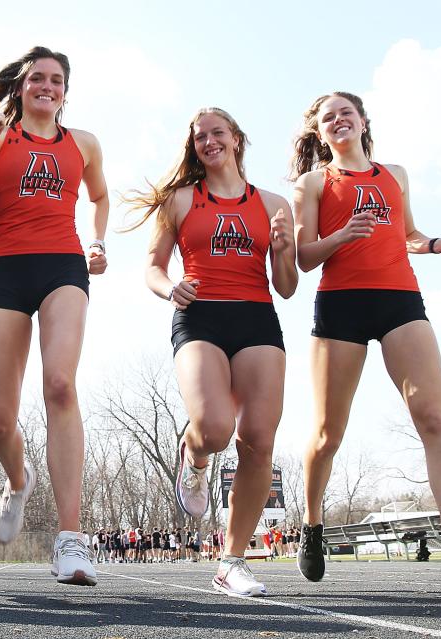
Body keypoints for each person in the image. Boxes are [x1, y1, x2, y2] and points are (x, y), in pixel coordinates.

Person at [290, 91, 441, 595]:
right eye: (328, 118)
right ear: (320, 133)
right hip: (341, 305)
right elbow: (303, 256)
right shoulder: (314, 183)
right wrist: (342, 235)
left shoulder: (396, 175)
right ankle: (313, 522)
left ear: (363, 121)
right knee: (327, 433)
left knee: (434, 415)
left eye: (347, 112)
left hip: (401, 301)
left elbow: (405, 233)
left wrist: (434, 244)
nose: (339, 120)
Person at [128, 107, 297, 596]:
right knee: (217, 429)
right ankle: (195, 457)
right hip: (199, 315)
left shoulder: (272, 202)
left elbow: (286, 287)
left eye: (217, 133)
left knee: (259, 439)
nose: (208, 142)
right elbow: (153, 266)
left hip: (257, 318)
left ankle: (232, 560)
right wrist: (170, 288)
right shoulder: (180, 200)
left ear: (237, 139)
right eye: (199, 137)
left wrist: (284, 251)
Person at [0, 46, 109, 587]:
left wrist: (97, 241)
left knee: (60, 384)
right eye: (37, 79)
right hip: (7, 268)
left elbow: (99, 198)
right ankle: (17, 480)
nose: (47, 86)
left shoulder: (82, 143)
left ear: (65, 90)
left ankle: (70, 539)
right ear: (21, 87)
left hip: (64, 266)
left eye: (56, 80)